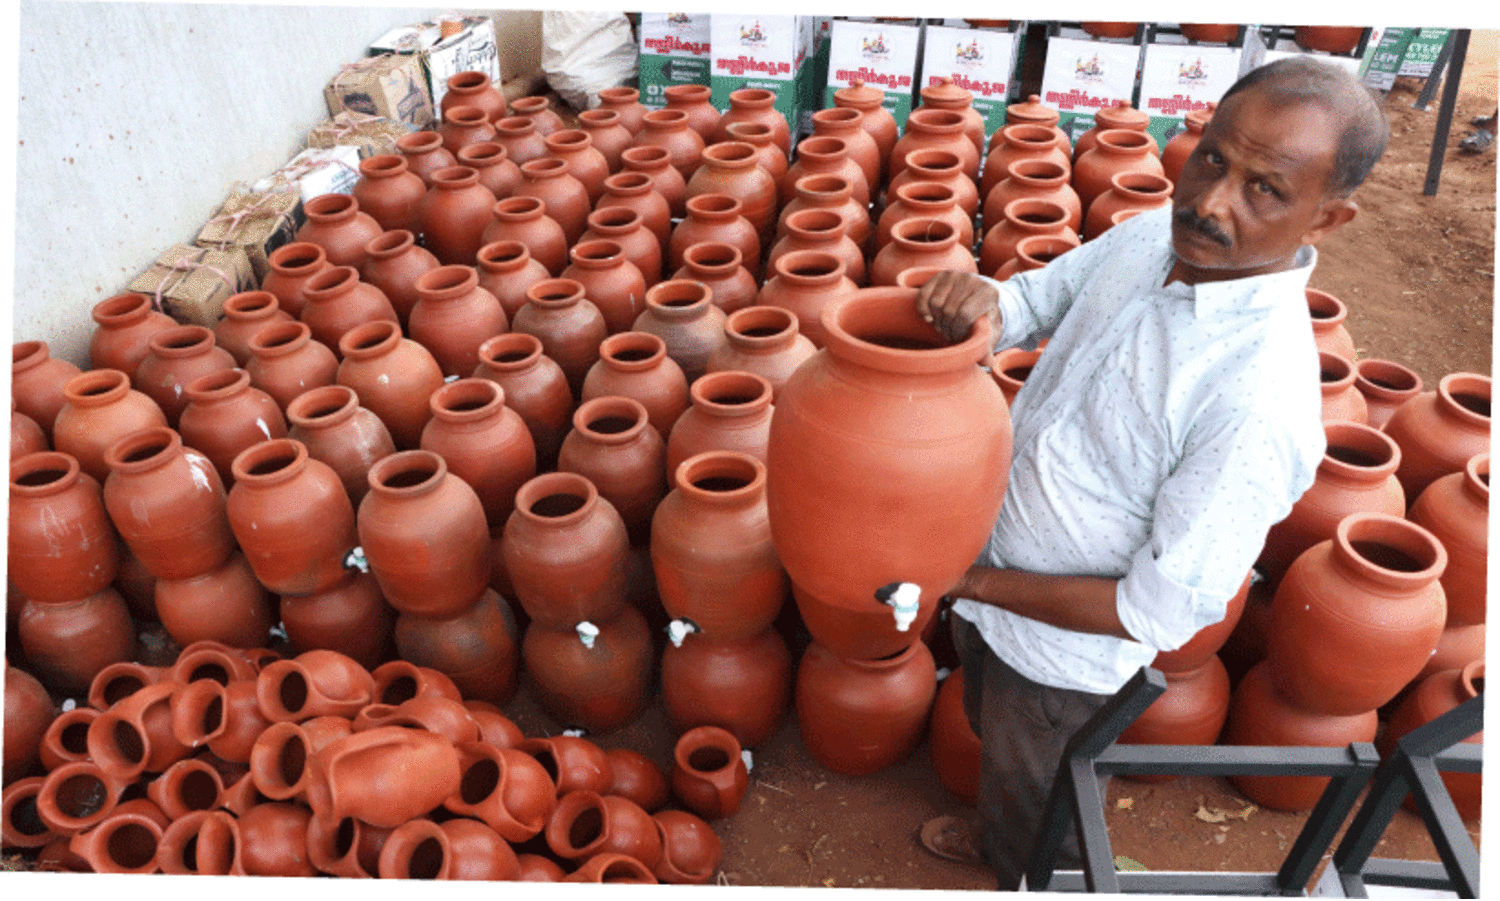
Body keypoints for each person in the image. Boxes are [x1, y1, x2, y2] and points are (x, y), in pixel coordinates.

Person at [914, 56, 1389, 889]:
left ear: (1328, 216)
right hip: (988, 589)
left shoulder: (1256, 399)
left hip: (1059, 658)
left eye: (1265, 189)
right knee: (995, 733)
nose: (1211, 202)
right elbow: (1032, 303)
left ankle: (1030, 866)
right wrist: (981, 299)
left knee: (1041, 790)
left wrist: (972, 582)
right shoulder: (1151, 237)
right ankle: (1001, 833)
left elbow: (1152, 611)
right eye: (1213, 157)